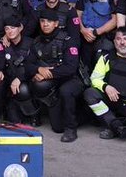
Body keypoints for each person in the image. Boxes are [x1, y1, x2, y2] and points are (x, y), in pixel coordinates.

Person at [25, 11, 84, 142]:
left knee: (66, 91)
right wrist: (38, 69)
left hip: (70, 80)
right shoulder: (36, 42)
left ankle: (71, 129)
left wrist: (47, 74)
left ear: (56, 23)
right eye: (42, 21)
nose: (45, 24)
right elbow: (28, 64)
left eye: (49, 22)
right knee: (57, 128)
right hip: (53, 85)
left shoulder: (68, 40)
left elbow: (70, 68)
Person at [76, 0, 119, 74]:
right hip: (84, 36)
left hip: (103, 38)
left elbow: (115, 20)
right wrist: (83, 30)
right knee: (84, 69)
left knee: (101, 69)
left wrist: (95, 33)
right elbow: (77, 13)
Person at [0, 16, 35, 124]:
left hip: (24, 81)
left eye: (13, 27)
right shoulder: (1, 43)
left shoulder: (31, 43)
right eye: (7, 29)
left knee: (24, 89)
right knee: (14, 120)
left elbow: (33, 66)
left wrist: (20, 78)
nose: (10, 31)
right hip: (8, 81)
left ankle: (34, 114)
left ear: (20, 28)